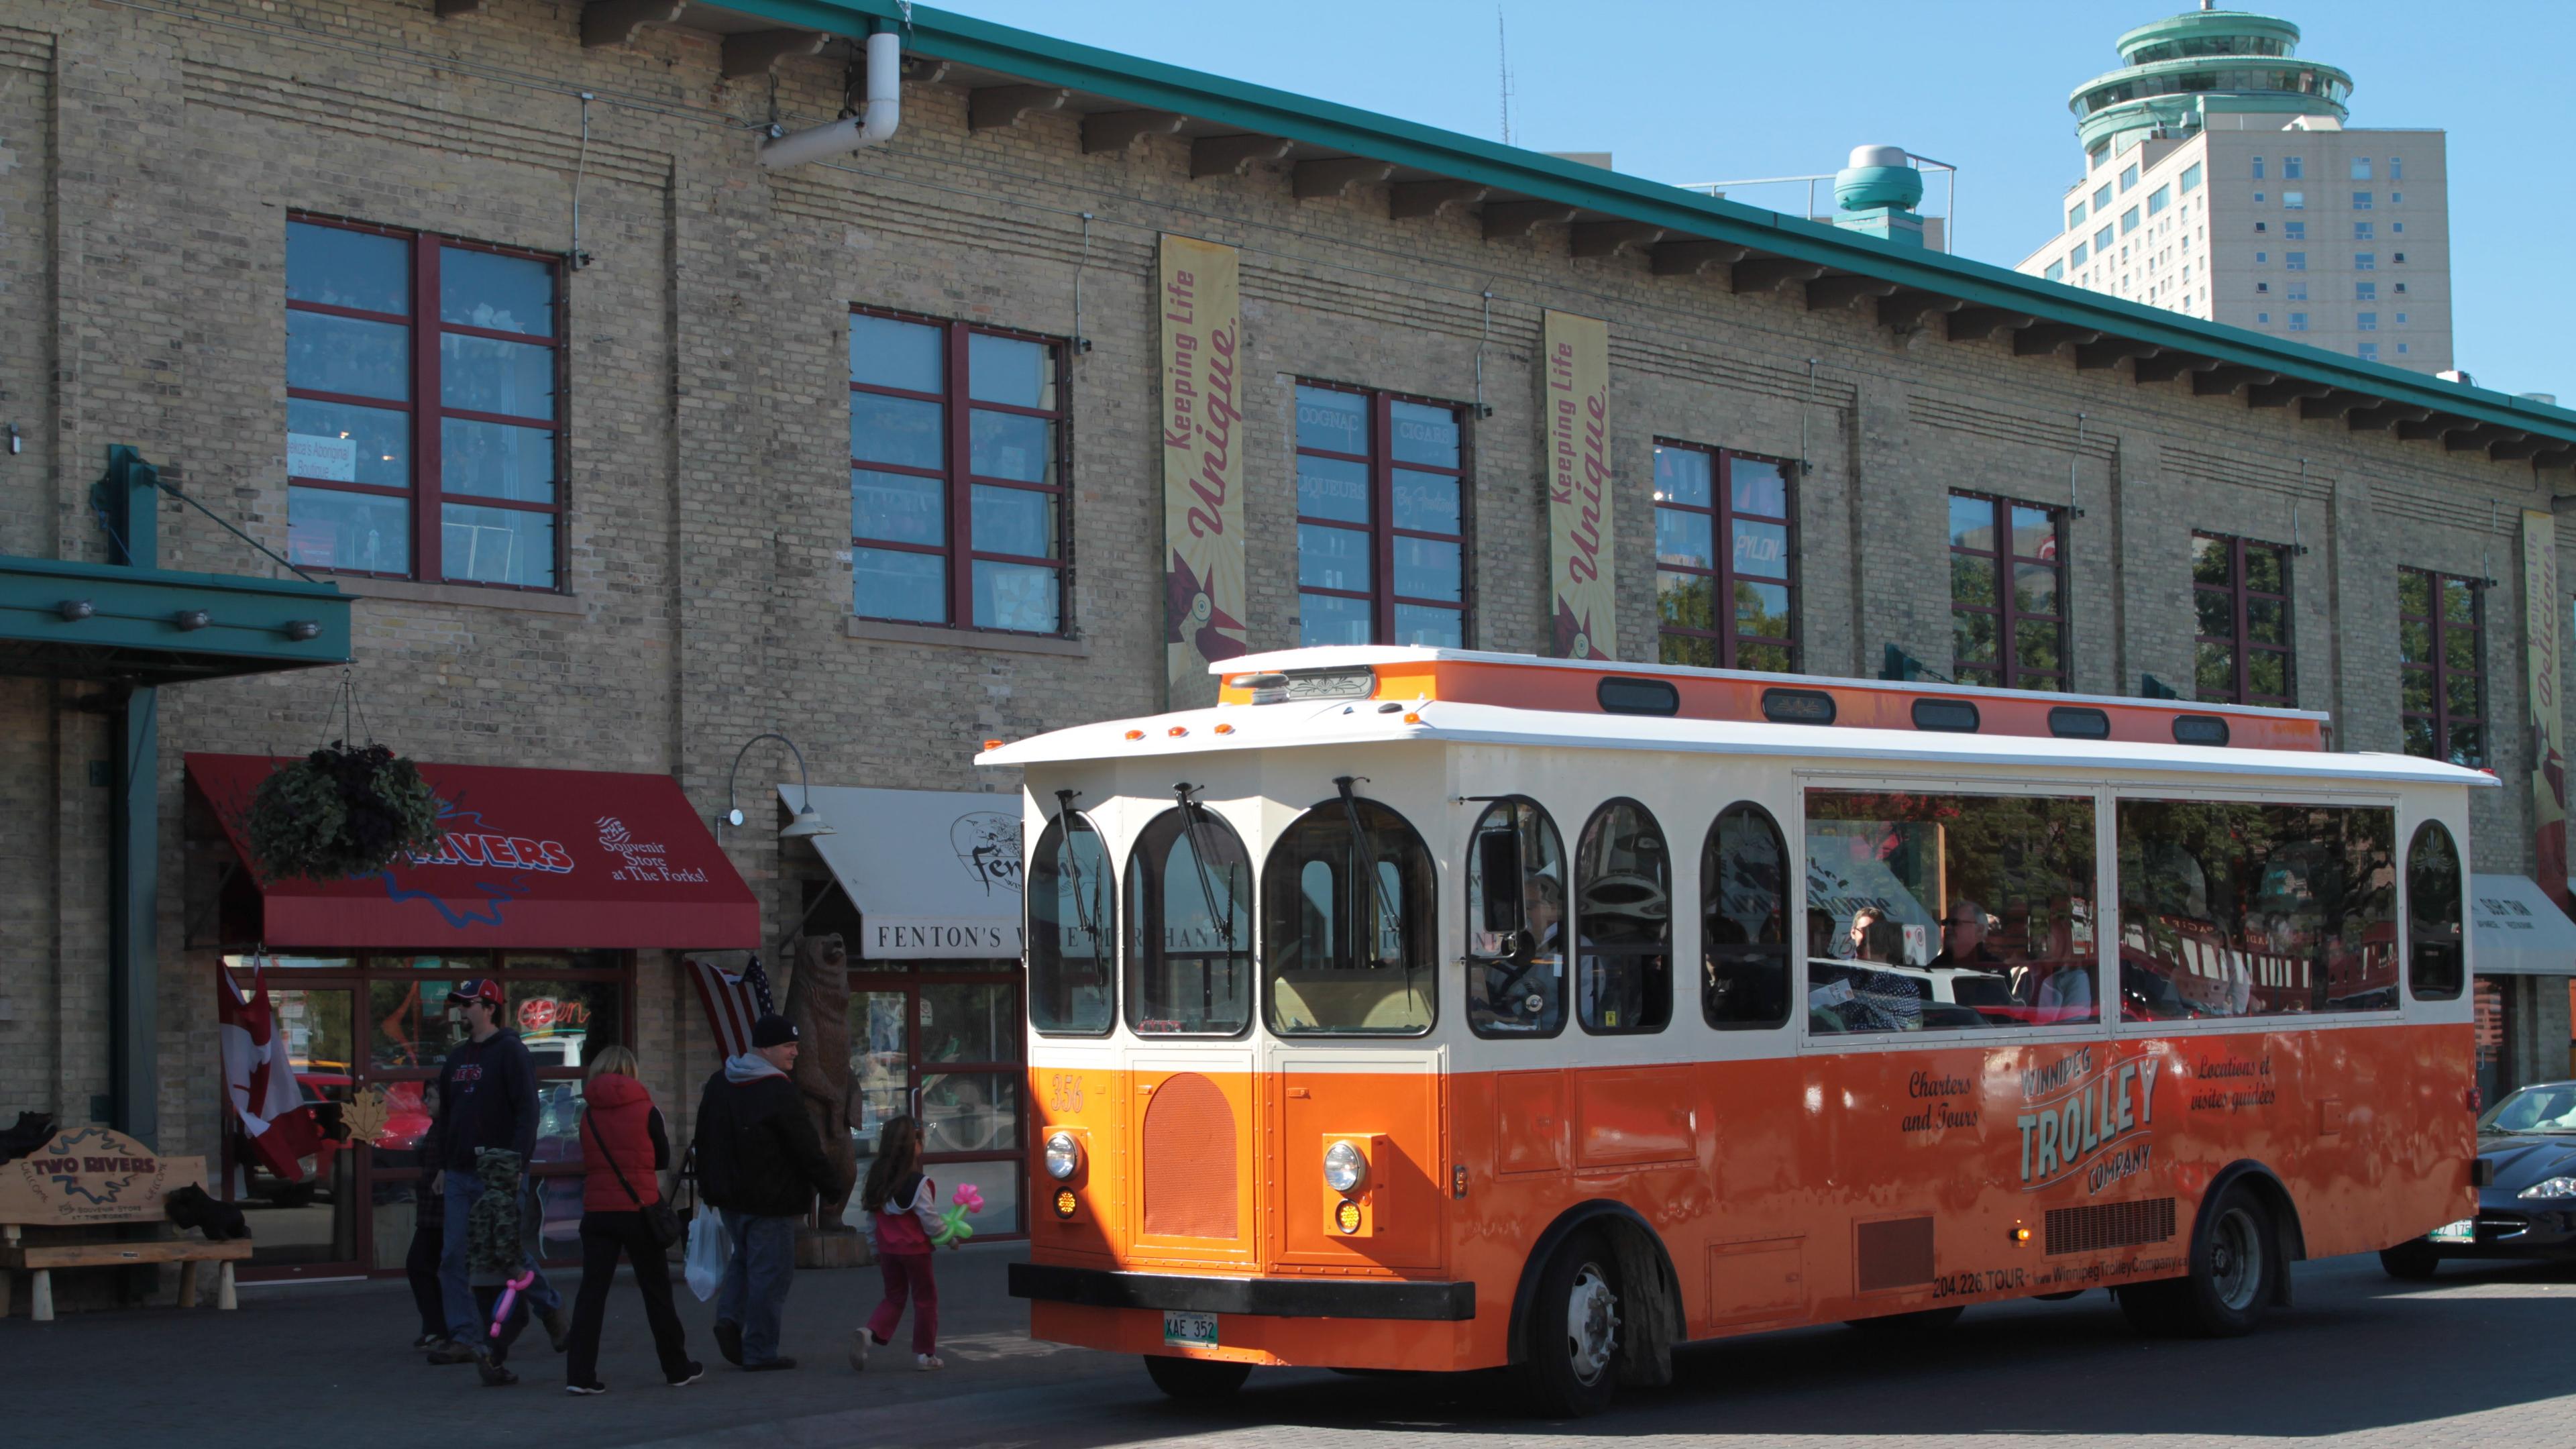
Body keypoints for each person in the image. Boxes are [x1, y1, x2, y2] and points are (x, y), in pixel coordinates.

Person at [694, 1013, 847, 1373]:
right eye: (788, 1046)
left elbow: (703, 1137)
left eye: (795, 1045)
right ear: (766, 1048)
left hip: (731, 1197)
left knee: (745, 1260)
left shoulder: (721, 1082)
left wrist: (710, 1186)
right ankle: (760, 1349)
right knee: (771, 1274)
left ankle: (730, 1319)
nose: (795, 1053)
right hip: (771, 1199)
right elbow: (805, 1146)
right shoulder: (778, 1090)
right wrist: (831, 1186)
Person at [429, 977, 567, 1368]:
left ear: (489, 1008)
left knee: (507, 1251)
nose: (462, 1010)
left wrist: (516, 1164)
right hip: (459, 1172)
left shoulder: (511, 1052)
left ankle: (550, 1309)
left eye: (469, 1004)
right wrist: (442, 1164)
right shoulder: (457, 1059)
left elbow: (528, 1113)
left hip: (500, 1171)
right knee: (453, 1255)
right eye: (459, 1004)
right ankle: (464, 1337)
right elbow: (448, 1118)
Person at [564, 1046, 702, 1395]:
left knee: (591, 1295)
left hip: (597, 1212)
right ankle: (676, 1368)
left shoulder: (588, 1114)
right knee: (656, 1292)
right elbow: (662, 1159)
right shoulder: (647, 1110)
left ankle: (580, 1376)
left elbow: (589, 1159)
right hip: (640, 1208)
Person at [852, 1116, 945, 1372]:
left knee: (894, 1297)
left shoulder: (876, 1182)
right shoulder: (919, 1183)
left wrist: (874, 1250)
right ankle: (926, 1355)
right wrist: (946, 1234)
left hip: (888, 1251)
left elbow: (871, 1221)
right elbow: (930, 1220)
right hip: (916, 1251)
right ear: (913, 1145)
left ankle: (869, 1332)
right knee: (925, 1300)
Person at [405, 1087, 449, 1352]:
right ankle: (435, 1326)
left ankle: (439, 1327)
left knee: (421, 1264)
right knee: (421, 1265)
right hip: (431, 1213)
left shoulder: (448, 1129)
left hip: (441, 1213)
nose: (426, 1102)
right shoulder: (436, 1129)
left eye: (432, 1096)